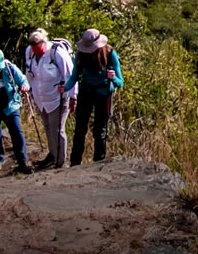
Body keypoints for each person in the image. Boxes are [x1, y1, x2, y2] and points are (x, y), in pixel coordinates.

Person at [64, 28, 123, 166]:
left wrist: (113, 78)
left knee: (100, 130)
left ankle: (98, 162)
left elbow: (120, 82)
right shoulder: (80, 55)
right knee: (80, 129)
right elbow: (74, 77)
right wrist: (63, 88)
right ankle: (75, 163)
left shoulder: (109, 53)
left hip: (103, 94)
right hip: (86, 92)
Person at [24, 28, 77, 169]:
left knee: (58, 129)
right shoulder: (29, 52)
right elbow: (29, 73)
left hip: (57, 98)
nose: (35, 51)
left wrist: (73, 97)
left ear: (44, 43)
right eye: (33, 48)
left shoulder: (56, 53)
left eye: (38, 48)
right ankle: (53, 155)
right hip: (41, 99)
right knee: (48, 127)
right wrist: (27, 88)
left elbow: (70, 75)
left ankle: (61, 162)